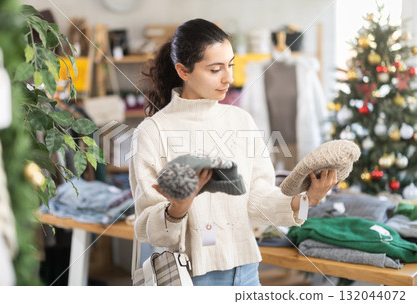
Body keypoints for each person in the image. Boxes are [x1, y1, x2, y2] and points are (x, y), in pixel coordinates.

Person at [129, 18, 337, 286]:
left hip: (246, 272)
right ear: (183, 71)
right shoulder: (152, 132)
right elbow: (146, 226)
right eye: (216, 69)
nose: (229, 78)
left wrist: (307, 199)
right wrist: (177, 208)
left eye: (230, 65)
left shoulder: (240, 121)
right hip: (190, 277)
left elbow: (258, 196)